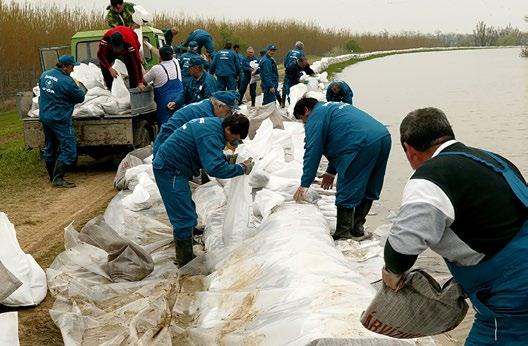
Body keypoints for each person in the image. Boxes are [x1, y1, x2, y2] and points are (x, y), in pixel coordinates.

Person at [382, 108, 527, 345]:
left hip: (513, 293)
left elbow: (402, 248)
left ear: (409, 149)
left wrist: (392, 272)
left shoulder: (428, 179)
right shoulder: (492, 159)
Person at [153, 114, 254, 266]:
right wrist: (241, 168)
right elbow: (215, 168)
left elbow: (206, 152)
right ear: (228, 129)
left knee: (186, 204)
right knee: (182, 216)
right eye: (235, 137)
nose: (234, 142)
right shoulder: (211, 134)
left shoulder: (215, 126)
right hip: (170, 169)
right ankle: (185, 260)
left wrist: (226, 159)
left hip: (177, 167)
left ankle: (189, 236)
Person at [292, 98, 391, 241]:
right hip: (383, 137)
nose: (304, 123)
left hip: (360, 143)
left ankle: (343, 233)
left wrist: (304, 184)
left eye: (302, 119)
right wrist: (331, 171)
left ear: (307, 110)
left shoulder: (315, 117)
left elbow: (312, 150)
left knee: (348, 187)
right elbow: (340, 138)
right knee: (371, 185)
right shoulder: (332, 107)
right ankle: (357, 229)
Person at [38, 55, 86, 188]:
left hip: (45, 117)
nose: (73, 70)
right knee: (69, 150)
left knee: (50, 146)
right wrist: (77, 85)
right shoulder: (67, 81)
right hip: (60, 119)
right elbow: (80, 97)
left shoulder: (44, 75)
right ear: (65, 66)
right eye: (72, 67)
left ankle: (52, 176)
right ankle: (58, 178)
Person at [154, 90, 240, 156]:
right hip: (167, 146)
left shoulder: (208, 104)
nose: (229, 115)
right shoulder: (206, 117)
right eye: (228, 111)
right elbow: (209, 144)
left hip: (170, 140)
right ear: (219, 106)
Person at [143, 46, 183, 125]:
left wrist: (140, 64)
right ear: (171, 55)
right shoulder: (176, 62)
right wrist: (150, 46)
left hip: (165, 104)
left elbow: (144, 80)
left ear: (160, 56)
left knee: (166, 128)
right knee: (181, 125)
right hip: (180, 100)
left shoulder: (156, 69)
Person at [97, 26, 145, 91]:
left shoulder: (130, 43)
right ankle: (111, 88)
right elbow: (100, 55)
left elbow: (136, 62)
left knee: (132, 67)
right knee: (104, 65)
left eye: (119, 48)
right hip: (111, 49)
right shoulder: (106, 38)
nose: (118, 51)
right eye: (116, 48)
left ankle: (133, 88)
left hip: (126, 49)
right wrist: (109, 68)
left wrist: (140, 82)